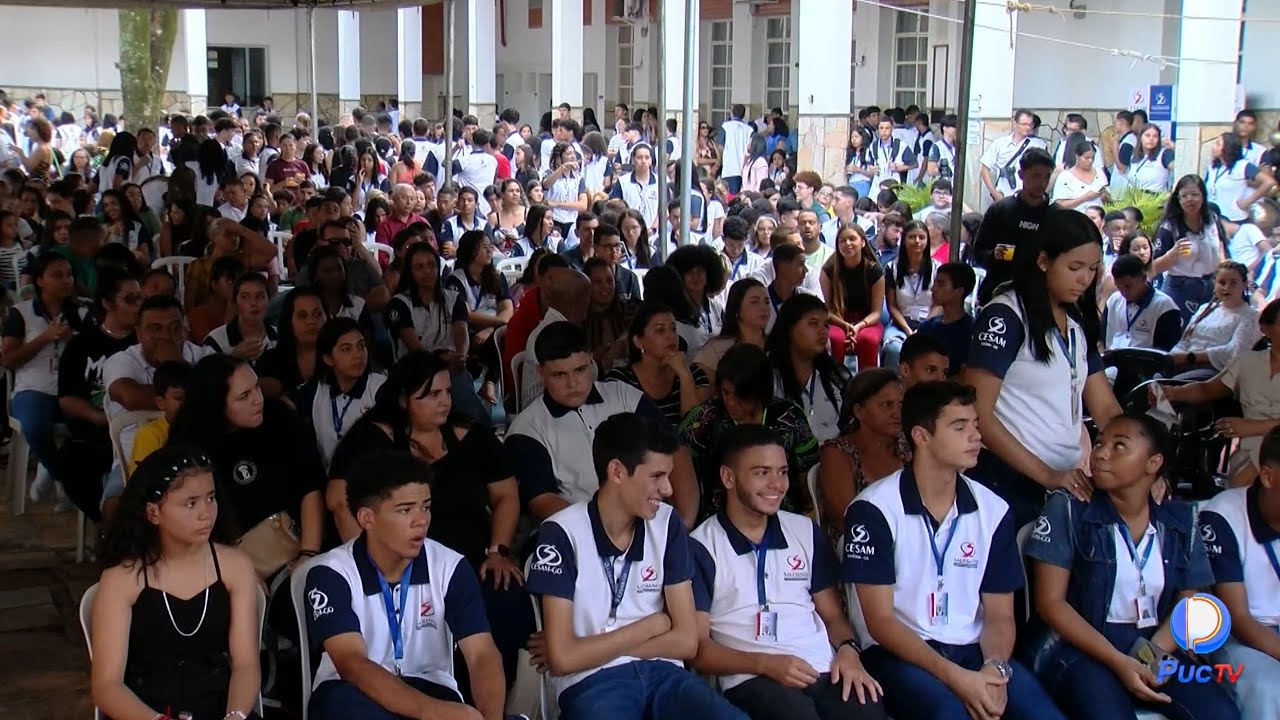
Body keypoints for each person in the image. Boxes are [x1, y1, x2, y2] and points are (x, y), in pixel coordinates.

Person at [843, 381, 1065, 720]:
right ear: (921, 436)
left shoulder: (994, 510)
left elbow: (1000, 615)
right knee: (950, 712)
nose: (976, 436)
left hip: (976, 651)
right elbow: (881, 622)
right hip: (899, 653)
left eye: (975, 424)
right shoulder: (874, 510)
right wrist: (958, 680)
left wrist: (995, 670)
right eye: (959, 427)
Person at [524, 412, 750, 720]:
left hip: (664, 675)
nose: (669, 490)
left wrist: (591, 649)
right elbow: (563, 659)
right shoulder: (561, 532)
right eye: (656, 476)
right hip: (592, 683)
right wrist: (652, 625)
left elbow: (686, 642)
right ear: (617, 471)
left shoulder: (667, 523)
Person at [325, 350, 531, 683]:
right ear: (405, 399)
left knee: (505, 597)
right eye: (432, 394)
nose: (445, 401)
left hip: (471, 560)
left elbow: (506, 495)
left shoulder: (471, 435)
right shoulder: (373, 438)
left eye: (447, 391)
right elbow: (339, 501)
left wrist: (499, 551)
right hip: (399, 569)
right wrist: (368, 564)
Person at [1026, 413, 1240, 720]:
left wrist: (1151, 658)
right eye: (1099, 443)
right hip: (1080, 649)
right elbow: (1051, 604)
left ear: (1152, 464)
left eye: (1119, 446)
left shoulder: (1180, 522)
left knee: (1221, 715)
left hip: (1152, 644)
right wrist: (1118, 661)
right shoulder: (1068, 509)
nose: (1100, 453)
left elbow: (1189, 598)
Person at [689, 424, 887, 720]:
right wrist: (766, 665)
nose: (777, 484)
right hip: (751, 674)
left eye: (782, 472)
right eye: (762, 472)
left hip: (823, 667)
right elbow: (699, 649)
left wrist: (848, 650)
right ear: (728, 477)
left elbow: (833, 617)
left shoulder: (805, 531)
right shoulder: (701, 546)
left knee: (867, 711)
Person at [302, 450, 517, 720]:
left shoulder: (450, 566)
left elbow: (481, 655)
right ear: (366, 518)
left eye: (425, 507)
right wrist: (432, 713)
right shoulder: (331, 573)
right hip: (353, 693)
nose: (422, 521)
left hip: (431, 687)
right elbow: (352, 665)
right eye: (405, 510)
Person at [966, 207, 1122, 528]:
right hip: (1006, 480)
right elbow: (977, 411)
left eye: (1093, 269)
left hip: (1065, 482)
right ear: (1042, 261)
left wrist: (1139, 456)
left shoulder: (1076, 322)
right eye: (1074, 267)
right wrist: (1048, 476)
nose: (1084, 279)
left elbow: (1105, 407)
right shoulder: (1006, 316)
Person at [90, 446, 262, 720]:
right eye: (190, 503)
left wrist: (236, 715)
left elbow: (246, 663)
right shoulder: (122, 578)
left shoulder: (235, 566)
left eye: (211, 498)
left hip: (219, 708)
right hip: (145, 713)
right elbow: (107, 685)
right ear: (153, 513)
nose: (206, 513)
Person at [505, 321, 696, 523]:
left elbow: (677, 450)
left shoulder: (625, 397)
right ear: (540, 373)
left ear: (591, 362)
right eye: (559, 375)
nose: (572, 383)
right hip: (579, 533)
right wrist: (603, 530)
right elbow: (543, 501)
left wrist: (684, 522)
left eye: (579, 370)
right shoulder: (528, 428)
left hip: (651, 520)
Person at [166, 354, 326, 578]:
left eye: (257, 388)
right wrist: (236, 570)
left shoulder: (280, 419)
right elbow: (190, 516)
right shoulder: (188, 442)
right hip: (223, 556)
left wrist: (308, 554)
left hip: (294, 544)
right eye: (243, 396)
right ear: (217, 404)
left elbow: (309, 487)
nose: (257, 400)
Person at [1155, 298, 1280, 488]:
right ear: (1265, 328)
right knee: (1158, 413)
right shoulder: (1248, 362)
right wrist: (1172, 392)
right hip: (1249, 450)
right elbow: (1207, 389)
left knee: (1251, 477)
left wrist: (1255, 427)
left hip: (1272, 447)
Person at [1200, 427, 1280, 720]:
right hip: (1238, 639)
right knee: (1272, 691)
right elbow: (1237, 617)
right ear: (1268, 476)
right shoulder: (1223, 515)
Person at [2, 252, 91, 504]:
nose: (66, 280)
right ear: (40, 280)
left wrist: (70, 341)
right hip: (33, 388)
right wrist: (44, 337)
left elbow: (93, 356)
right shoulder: (21, 313)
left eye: (69, 275)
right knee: (34, 426)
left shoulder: (82, 312)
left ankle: (55, 471)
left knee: (89, 427)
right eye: (57, 275)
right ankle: (61, 475)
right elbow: (8, 359)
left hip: (72, 389)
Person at [56, 267, 141, 517]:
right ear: (106, 303)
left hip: (140, 431)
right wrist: (98, 417)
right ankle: (105, 526)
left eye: (140, 298)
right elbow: (67, 399)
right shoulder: (81, 345)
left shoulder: (145, 341)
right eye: (130, 299)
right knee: (71, 462)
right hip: (97, 432)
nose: (138, 306)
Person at [818, 369, 910, 536]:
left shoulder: (908, 447)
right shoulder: (838, 453)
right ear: (859, 411)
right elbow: (844, 517)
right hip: (859, 543)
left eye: (901, 405)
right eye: (887, 404)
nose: (897, 413)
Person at [290, 317, 386, 472]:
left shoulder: (381, 388)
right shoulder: (312, 392)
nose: (358, 355)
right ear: (328, 359)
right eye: (346, 349)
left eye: (361, 346)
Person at [605, 302, 712, 427]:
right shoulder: (620, 380)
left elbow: (694, 429)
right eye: (660, 330)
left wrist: (684, 375)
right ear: (638, 342)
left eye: (673, 329)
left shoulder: (695, 375)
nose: (671, 336)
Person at [972, 148, 1053, 305]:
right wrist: (994, 255)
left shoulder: (1054, 215)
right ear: (1021, 174)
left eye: (1047, 177)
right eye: (1036, 176)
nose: (1042, 183)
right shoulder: (1000, 210)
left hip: (1038, 297)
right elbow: (979, 252)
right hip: (997, 293)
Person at [768, 293, 849, 444]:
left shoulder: (838, 376)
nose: (823, 331)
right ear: (789, 328)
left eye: (826, 325)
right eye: (813, 323)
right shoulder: (768, 376)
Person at [1165, 261, 1260, 380]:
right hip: (1184, 362)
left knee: (1169, 383)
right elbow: (1185, 341)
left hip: (1217, 372)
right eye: (1222, 282)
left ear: (1244, 284)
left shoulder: (1251, 316)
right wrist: (1172, 357)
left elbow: (1235, 352)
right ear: (1215, 283)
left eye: (1233, 283)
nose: (1227, 288)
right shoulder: (1204, 309)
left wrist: (1190, 357)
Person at [1151, 175, 1228, 321]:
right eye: (1184, 196)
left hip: (1210, 287)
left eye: (1194, 194)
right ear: (1178, 199)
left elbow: (1220, 251)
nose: (1190, 199)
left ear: (1203, 196)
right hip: (1180, 289)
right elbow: (1153, 267)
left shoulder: (1212, 220)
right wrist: (1172, 254)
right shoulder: (1170, 226)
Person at [821, 224, 884, 370]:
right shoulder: (828, 270)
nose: (847, 244)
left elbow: (876, 312)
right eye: (842, 240)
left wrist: (859, 326)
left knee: (867, 340)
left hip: (867, 322)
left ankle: (867, 386)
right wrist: (845, 325)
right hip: (837, 320)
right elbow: (827, 310)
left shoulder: (874, 271)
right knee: (835, 339)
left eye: (852, 239)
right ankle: (834, 384)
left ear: (862, 242)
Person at [882, 220, 938, 370]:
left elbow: (938, 305)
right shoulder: (891, 268)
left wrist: (923, 328)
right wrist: (907, 330)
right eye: (912, 237)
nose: (917, 241)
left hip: (930, 324)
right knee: (893, 349)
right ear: (904, 239)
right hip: (900, 324)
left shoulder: (937, 269)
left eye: (921, 237)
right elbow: (892, 306)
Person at [694, 278, 770, 386]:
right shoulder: (716, 350)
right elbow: (699, 399)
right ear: (737, 309)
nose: (764, 308)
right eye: (754, 302)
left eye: (767, 302)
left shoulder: (776, 345)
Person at [1100, 254, 1182, 352]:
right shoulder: (1113, 301)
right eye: (1119, 287)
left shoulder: (1165, 307)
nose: (1123, 292)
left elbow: (1166, 351)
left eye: (1128, 286)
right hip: (1111, 361)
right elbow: (1102, 340)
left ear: (1143, 278)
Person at [256, 287, 326, 398]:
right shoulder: (270, 361)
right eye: (302, 316)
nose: (311, 321)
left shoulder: (341, 358)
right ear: (289, 321)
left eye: (317, 314)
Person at [128, 360, 190, 474]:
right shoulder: (150, 435)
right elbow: (142, 483)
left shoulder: (204, 429)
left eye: (193, 396)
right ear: (160, 402)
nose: (187, 403)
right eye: (179, 398)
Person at [202, 272, 278, 363]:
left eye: (260, 296)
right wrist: (234, 358)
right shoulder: (216, 340)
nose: (253, 303)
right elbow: (206, 375)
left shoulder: (281, 337)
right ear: (234, 304)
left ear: (268, 301)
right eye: (245, 297)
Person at [915, 262, 975, 376]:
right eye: (935, 283)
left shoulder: (970, 330)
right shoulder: (926, 327)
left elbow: (965, 375)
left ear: (959, 290)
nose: (933, 289)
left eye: (941, 284)